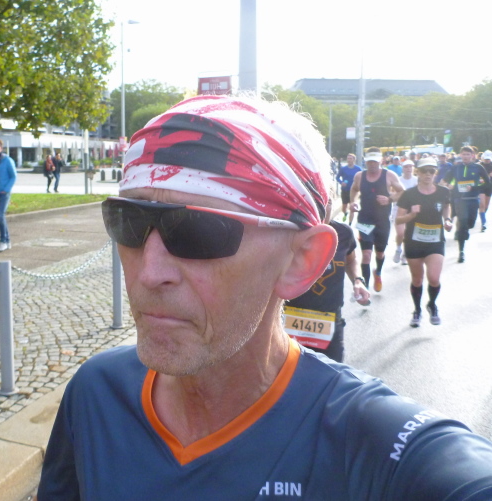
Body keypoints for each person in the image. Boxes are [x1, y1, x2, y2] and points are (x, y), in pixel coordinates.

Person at [38, 95, 492, 500]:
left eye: (198, 231)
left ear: (301, 260)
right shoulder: (95, 391)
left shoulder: (379, 447)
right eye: (129, 222)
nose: (149, 273)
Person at [284, 199, 370, 363]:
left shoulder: (343, 233)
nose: (323, 206)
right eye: (318, 200)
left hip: (329, 317)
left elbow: (351, 260)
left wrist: (358, 280)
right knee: (292, 371)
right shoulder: (289, 231)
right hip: (290, 316)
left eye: (328, 201)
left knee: (332, 370)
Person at [396, 157, 452, 327]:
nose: (428, 174)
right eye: (424, 171)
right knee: (417, 280)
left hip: (435, 241)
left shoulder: (443, 192)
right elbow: (398, 219)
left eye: (431, 171)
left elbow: (446, 206)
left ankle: (432, 305)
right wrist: (411, 215)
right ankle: (417, 310)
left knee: (434, 278)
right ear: (418, 173)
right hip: (414, 242)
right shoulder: (409, 194)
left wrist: (447, 219)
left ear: (435, 173)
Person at [350, 150, 405, 291]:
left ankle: (378, 272)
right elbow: (354, 189)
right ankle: (366, 288)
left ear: (380, 161)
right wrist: (352, 202)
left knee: (379, 253)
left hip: (382, 221)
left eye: (375, 161)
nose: (372, 164)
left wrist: (389, 199)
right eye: (369, 162)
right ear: (366, 162)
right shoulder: (360, 176)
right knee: (366, 255)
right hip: (364, 220)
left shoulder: (389, 175)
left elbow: (402, 191)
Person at [440, 145, 491, 263]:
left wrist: (474, 187)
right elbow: (446, 180)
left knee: (470, 224)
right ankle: (461, 252)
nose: (465, 156)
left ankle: (463, 230)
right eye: (463, 154)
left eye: (468, 154)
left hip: (473, 199)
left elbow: (487, 183)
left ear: (472, 156)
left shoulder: (478, 167)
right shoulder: (456, 167)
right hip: (460, 200)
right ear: (460, 155)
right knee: (462, 223)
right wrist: (447, 186)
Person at [392, 159, 418, 264]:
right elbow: (392, 194)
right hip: (398, 209)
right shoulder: (398, 180)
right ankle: (398, 248)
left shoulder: (417, 180)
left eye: (410, 166)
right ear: (402, 168)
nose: (408, 169)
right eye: (406, 167)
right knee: (400, 233)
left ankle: (405, 254)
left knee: (409, 234)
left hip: (412, 210)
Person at [336, 153, 361, 224]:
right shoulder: (343, 169)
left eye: (350, 158)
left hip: (354, 191)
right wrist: (341, 182)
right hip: (345, 190)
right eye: (348, 158)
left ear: (354, 160)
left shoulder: (358, 169)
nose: (349, 160)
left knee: (352, 207)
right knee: (344, 207)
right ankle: (345, 213)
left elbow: (362, 178)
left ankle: (350, 224)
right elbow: (337, 177)